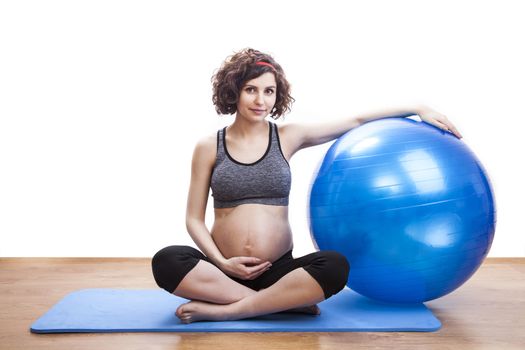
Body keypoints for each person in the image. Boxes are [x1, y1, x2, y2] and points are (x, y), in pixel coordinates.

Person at [151, 48, 462, 324]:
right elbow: (193, 218)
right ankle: (280, 304)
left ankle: (231, 309)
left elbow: (355, 120)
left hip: (278, 269)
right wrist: (221, 262)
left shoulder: (287, 137)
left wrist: (419, 108)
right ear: (234, 91)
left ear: (278, 95)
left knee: (335, 266)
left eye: (269, 91)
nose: (261, 100)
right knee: (167, 261)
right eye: (251, 90)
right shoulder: (209, 147)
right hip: (223, 269)